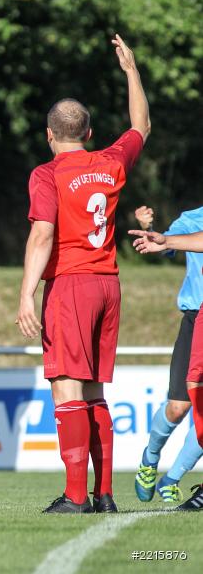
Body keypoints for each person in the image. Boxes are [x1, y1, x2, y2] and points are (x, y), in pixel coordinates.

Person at [16, 35, 150, 514]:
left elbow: (41, 236)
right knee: (94, 389)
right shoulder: (110, 162)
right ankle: (105, 494)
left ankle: (75, 497)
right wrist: (131, 71)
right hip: (108, 283)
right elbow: (141, 124)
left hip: (70, 284)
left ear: (50, 135)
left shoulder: (47, 174)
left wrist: (27, 294)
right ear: (89, 133)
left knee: (67, 387)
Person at [129, 206, 203, 504]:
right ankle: (149, 460)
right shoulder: (190, 218)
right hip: (195, 316)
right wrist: (152, 231)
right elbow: (163, 244)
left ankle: (172, 478)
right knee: (178, 407)